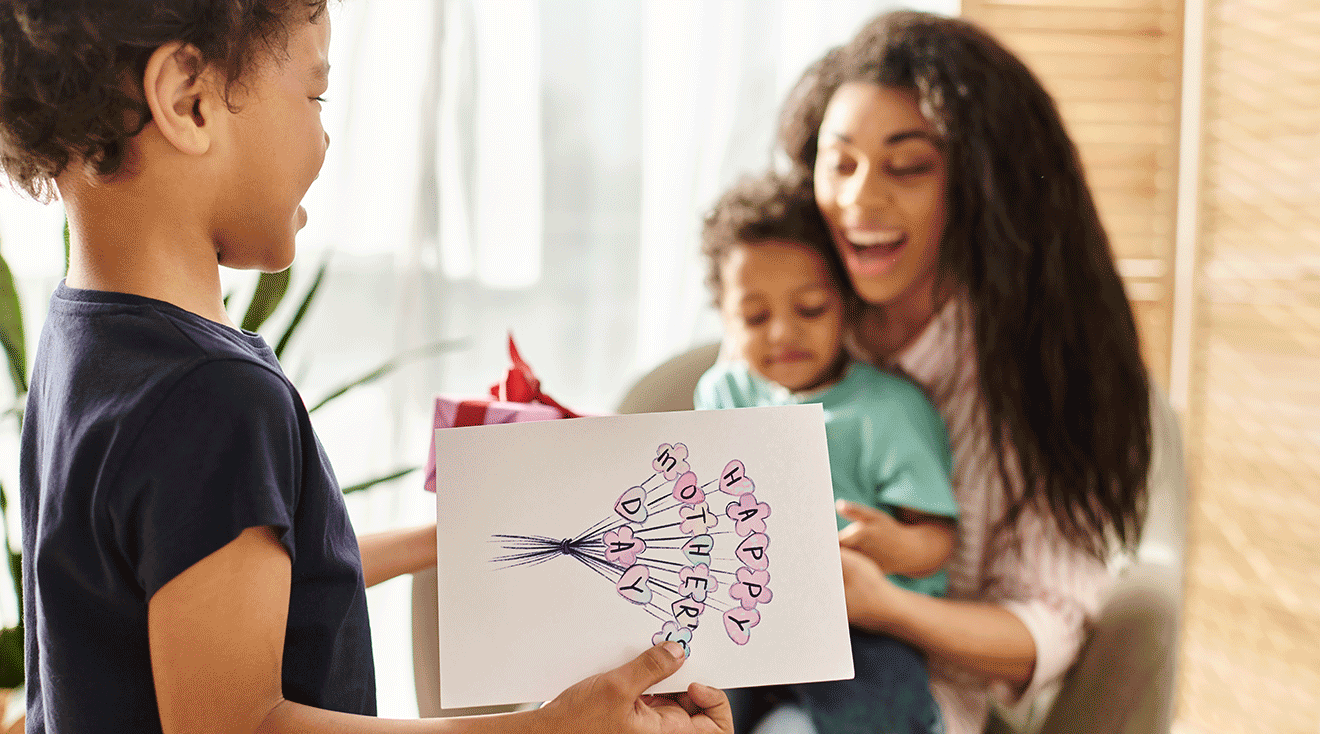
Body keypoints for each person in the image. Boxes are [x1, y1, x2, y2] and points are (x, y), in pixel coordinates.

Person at [3, 2, 732, 733]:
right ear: (188, 100)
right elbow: (244, 725)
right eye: (314, 94)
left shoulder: (86, 339)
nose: (325, 135)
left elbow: (205, 581)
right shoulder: (213, 397)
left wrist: (440, 541)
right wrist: (545, 728)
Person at [764, 10, 1154, 734]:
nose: (859, 199)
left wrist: (885, 604)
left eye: (908, 166)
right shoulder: (797, 312)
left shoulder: (1034, 368)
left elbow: (1045, 629)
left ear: (978, 185)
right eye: (839, 161)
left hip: (910, 699)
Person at [693, 172, 958, 734]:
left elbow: (938, 540)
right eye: (755, 317)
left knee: (879, 709)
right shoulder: (724, 392)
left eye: (810, 308)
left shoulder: (890, 411)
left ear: (845, 305)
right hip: (752, 620)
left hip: (864, 628)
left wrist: (894, 547)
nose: (782, 333)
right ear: (725, 319)